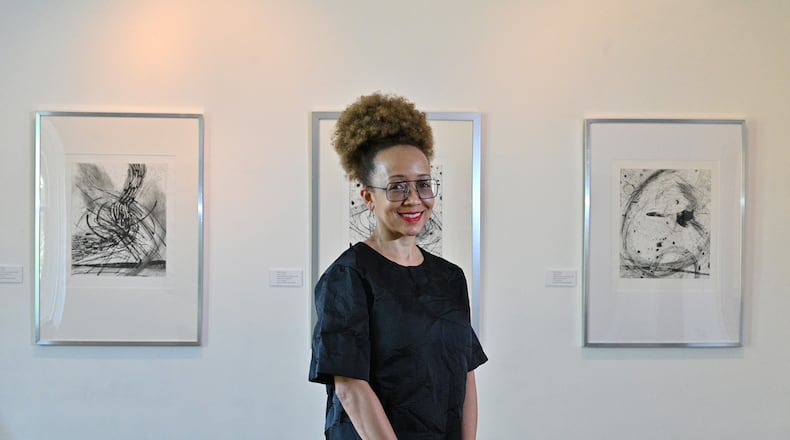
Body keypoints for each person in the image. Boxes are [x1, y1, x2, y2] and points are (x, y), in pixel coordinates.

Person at [309, 92, 487, 439]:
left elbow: (465, 373)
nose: (414, 199)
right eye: (397, 187)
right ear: (368, 197)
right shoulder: (348, 276)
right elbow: (350, 387)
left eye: (423, 185)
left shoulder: (450, 277)